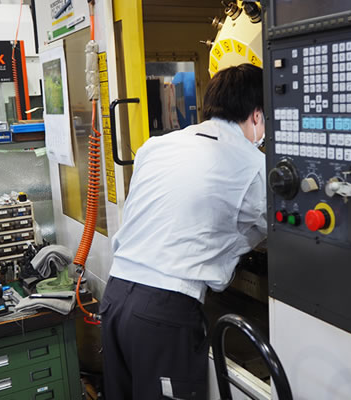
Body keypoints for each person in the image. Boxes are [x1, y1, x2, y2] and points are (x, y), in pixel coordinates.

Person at [100, 63, 267, 399]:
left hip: (115, 297)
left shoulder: (157, 146)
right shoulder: (253, 164)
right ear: (257, 115)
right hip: (162, 313)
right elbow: (285, 230)